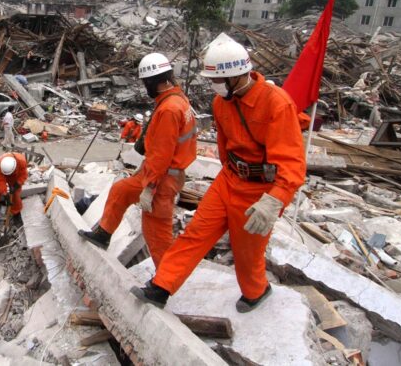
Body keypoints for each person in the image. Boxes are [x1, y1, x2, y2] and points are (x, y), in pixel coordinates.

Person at [131, 34, 306, 313]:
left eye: (218, 80)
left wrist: (275, 200)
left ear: (237, 76)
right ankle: (161, 287)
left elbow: (292, 162)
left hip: (258, 189)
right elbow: (224, 148)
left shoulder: (276, 104)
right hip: (229, 180)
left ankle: (257, 291)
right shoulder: (220, 102)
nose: (214, 86)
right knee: (195, 234)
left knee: (247, 253)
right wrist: (229, 175)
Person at [79, 53, 197, 269]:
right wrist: (143, 170)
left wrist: (150, 188)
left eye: (146, 83)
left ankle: (164, 282)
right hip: (157, 172)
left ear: (152, 81)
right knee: (121, 191)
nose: (145, 88)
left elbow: (162, 155)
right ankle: (103, 234)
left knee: (156, 233)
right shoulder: (177, 99)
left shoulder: (169, 110)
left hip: (162, 179)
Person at [0, 153, 28, 223]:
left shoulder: (21, 161)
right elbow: (0, 182)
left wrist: (17, 184)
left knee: (15, 195)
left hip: (15, 177)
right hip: (3, 175)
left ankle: (16, 212)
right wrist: (5, 194)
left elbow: (23, 175)